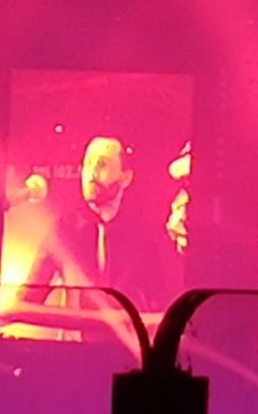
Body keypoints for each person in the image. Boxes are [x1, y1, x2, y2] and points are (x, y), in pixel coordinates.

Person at [18, 135, 180, 322]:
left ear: (125, 177)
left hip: (127, 339)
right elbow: (25, 300)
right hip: (77, 340)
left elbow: (163, 304)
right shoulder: (64, 229)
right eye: (87, 163)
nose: (92, 173)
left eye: (102, 164)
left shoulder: (144, 235)